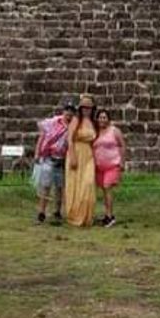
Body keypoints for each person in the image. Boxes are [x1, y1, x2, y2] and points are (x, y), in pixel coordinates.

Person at [33, 101, 74, 224]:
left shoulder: (73, 126)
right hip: (50, 158)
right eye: (67, 110)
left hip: (62, 160)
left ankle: (57, 211)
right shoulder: (54, 122)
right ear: (63, 111)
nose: (69, 113)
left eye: (71, 111)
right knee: (45, 186)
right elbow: (43, 136)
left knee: (60, 188)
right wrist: (37, 152)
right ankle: (41, 212)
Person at [64, 94, 97, 227]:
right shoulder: (76, 120)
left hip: (88, 155)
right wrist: (72, 156)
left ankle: (87, 216)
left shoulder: (93, 122)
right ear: (81, 108)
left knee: (88, 184)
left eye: (89, 107)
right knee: (75, 185)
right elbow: (70, 139)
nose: (86, 110)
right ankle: (76, 216)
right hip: (76, 153)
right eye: (84, 107)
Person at [93, 109, 126, 227]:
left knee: (107, 188)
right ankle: (106, 214)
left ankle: (110, 216)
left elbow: (122, 145)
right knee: (103, 190)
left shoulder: (114, 131)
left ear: (108, 119)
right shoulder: (95, 132)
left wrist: (122, 162)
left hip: (112, 165)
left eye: (104, 117)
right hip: (99, 167)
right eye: (100, 117)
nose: (102, 120)